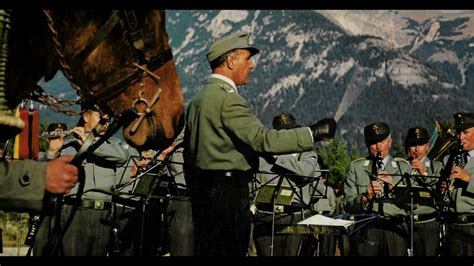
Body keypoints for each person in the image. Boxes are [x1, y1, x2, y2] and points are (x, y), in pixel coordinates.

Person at [184, 31, 337, 256]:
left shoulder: (198, 100)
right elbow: (263, 140)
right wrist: (312, 133)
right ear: (230, 60)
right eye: (248, 58)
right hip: (229, 194)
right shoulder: (228, 100)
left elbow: (189, 154)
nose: (252, 65)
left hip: (203, 193)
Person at [33, 106, 130, 256]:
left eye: (109, 117)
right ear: (86, 117)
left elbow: (122, 157)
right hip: (74, 212)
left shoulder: (114, 144)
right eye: (101, 116)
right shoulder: (68, 143)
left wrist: (89, 143)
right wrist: (52, 153)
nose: (106, 120)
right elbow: (42, 172)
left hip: (103, 215)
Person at [252, 113, 321, 256]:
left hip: (295, 217)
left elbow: (307, 172)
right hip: (266, 218)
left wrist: (281, 157)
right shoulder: (262, 155)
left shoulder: (307, 153)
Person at [117, 130, 193, 256]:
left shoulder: (181, 126)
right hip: (151, 190)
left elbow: (183, 135)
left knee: (179, 237)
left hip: (178, 190)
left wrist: (168, 149)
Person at [344, 122, 411, 256]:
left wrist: (393, 187)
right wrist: (365, 197)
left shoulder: (403, 167)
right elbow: (347, 204)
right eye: (374, 143)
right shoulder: (356, 167)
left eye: (382, 141)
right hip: (367, 230)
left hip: (394, 229)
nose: (378, 146)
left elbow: (412, 204)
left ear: (390, 142)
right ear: (368, 145)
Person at [0, 119, 78, 211]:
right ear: (48, 139)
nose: (60, 141)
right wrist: (52, 153)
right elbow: (34, 172)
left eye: (63, 137)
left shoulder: (72, 154)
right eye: (55, 137)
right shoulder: (40, 155)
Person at [404, 126, 442, 256]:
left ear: (427, 146)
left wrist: (424, 173)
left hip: (428, 224)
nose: (416, 149)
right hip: (405, 224)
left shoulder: (436, 167)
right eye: (413, 145)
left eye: (420, 144)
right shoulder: (400, 166)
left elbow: (439, 193)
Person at [443, 112, 474, 256]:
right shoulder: (453, 158)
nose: (460, 137)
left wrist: (469, 179)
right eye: (458, 133)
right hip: (454, 227)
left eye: (466, 132)